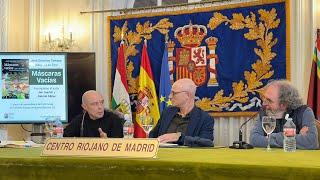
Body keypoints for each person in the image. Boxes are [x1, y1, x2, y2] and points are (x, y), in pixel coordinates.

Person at [250, 80, 319, 149]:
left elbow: (311, 142)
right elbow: (254, 140)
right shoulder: (264, 112)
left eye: (269, 100)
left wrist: (268, 138)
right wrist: (292, 137)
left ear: (284, 104)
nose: (264, 104)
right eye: (264, 98)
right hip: (271, 158)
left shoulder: (304, 112)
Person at [149, 78, 214, 147]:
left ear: (187, 95)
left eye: (174, 93)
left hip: (187, 156)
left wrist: (179, 138)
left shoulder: (204, 118)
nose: (170, 96)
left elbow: (207, 143)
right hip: (163, 155)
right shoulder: (167, 112)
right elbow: (153, 136)